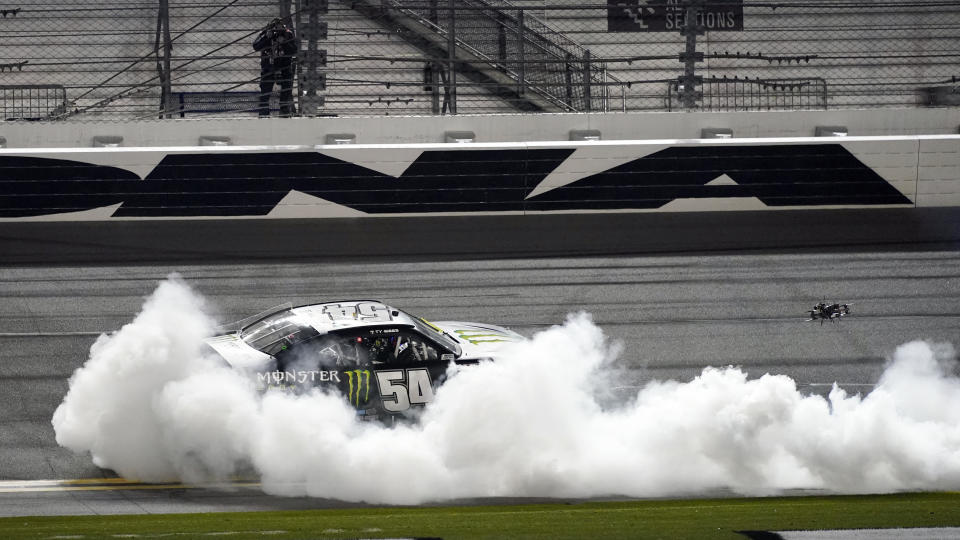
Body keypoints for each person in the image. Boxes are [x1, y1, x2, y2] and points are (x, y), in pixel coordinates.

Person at [253, 17, 297, 117]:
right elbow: (255, 46)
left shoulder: (287, 33)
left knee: (286, 91)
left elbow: (294, 50)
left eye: (279, 27)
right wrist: (267, 37)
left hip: (284, 67)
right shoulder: (266, 33)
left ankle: (284, 111)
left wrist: (284, 42)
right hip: (269, 67)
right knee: (265, 92)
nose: (276, 30)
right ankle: (264, 113)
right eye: (274, 27)